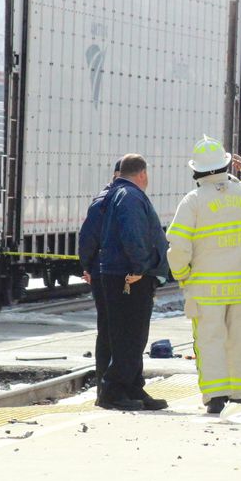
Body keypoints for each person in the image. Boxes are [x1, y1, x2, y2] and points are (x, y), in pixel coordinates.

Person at [167, 135, 241, 414]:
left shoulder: (192, 201)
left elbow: (178, 246)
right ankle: (239, 395)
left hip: (205, 290)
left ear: (196, 171)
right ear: (227, 165)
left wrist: (182, 275)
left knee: (210, 341)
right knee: (240, 340)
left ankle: (216, 397)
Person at [98, 154, 170, 411]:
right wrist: (140, 266)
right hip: (129, 276)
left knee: (132, 335)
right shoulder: (130, 196)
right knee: (130, 335)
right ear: (142, 174)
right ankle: (114, 390)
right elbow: (133, 233)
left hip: (121, 273)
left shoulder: (118, 193)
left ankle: (132, 386)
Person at [77, 158, 121, 404]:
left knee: (107, 330)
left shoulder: (105, 200)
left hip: (102, 271)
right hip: (107, 274)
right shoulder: (105, 202)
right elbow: (88, 239)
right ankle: (106, 389)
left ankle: (106, 387)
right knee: (109, 331)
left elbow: (87, 240)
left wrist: (87, 265)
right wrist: (88, 266)